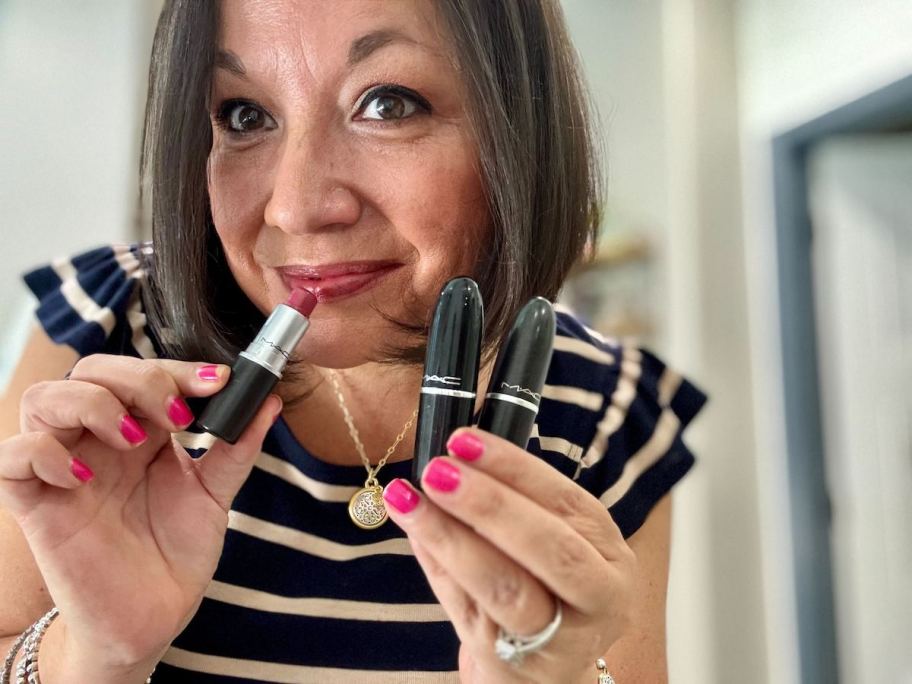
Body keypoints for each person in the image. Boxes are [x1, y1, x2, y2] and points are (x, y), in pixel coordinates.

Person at [0, 1, 707, 682]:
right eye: (244, 115)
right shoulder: (109, 329)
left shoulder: (607, 413)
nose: (297, 206)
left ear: (520, 130)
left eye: (388, 103)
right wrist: (92, 654)